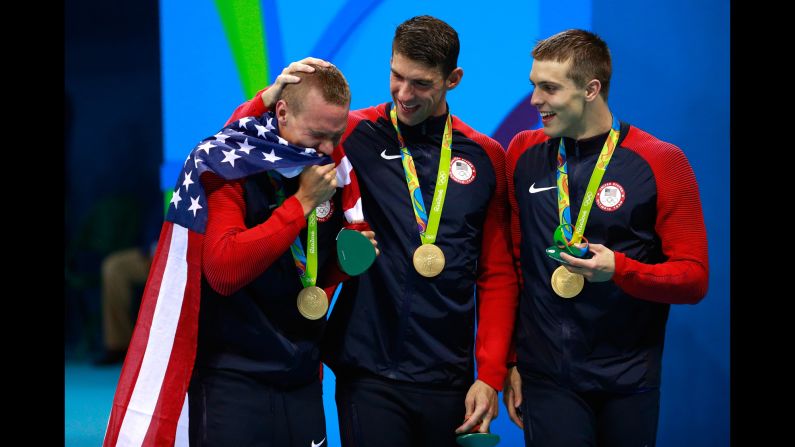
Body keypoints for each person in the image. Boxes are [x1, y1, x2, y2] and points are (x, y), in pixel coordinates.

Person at [227, 16, 518, 447]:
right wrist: (267, 98)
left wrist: (490, 374)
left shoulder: (485, 157)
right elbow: (236, 143)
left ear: (452, 79)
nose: (403, 93)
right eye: (396, 76)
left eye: (420, 83)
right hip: (367, 369)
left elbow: (497, 275)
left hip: (448, 374)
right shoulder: (352, 135)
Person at [104, 64, 378, 446]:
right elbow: (224, 270)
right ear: (281, 113)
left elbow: (310, 273)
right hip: (232, 383)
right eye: (317, 135)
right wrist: (299, 205)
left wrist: (344, 265)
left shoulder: (330, 168)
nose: (328, 150)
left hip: (300, 376)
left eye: (336, 136)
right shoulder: (231, 167)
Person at [502, 29, 709, 446]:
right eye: (533, 86)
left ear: (591, 89)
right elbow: (515, 267)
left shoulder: (660, 161)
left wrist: (620, 269)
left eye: (549, 88)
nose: (535, 101)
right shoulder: (522, 153)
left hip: (628, 378)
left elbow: (694, 278)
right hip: (548, 377)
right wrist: (511, 361)